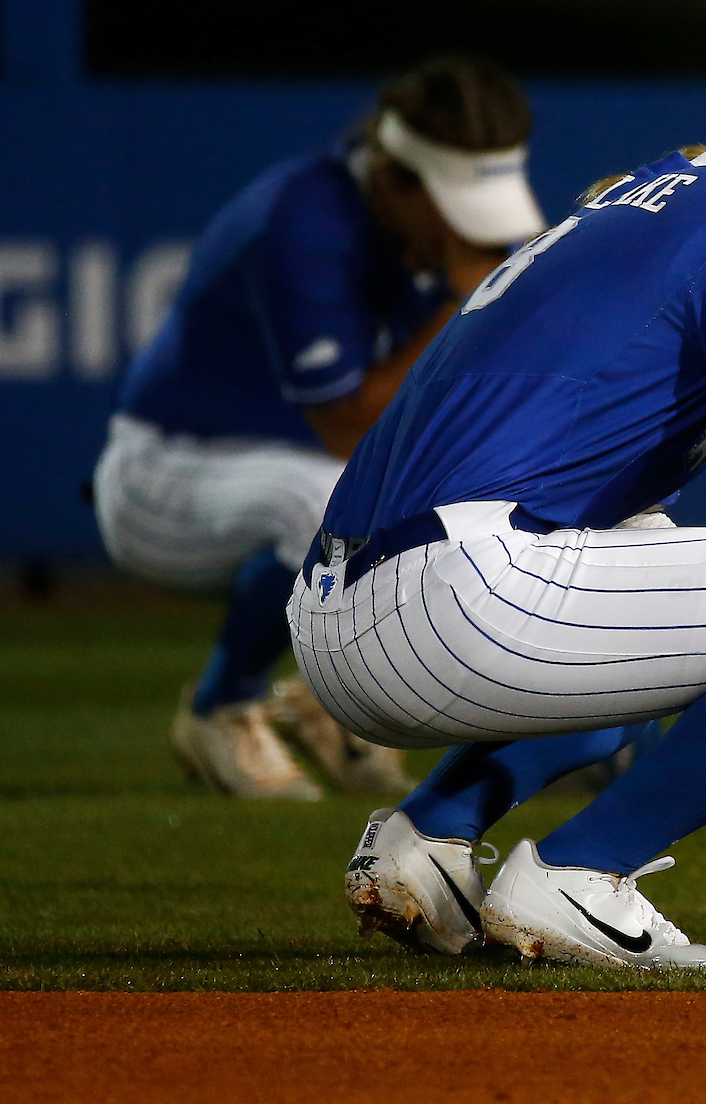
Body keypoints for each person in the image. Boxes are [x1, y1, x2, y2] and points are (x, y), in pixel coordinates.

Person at [292, 107, 706, 969]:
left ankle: (428, 841)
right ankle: (583, 874)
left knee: (663, 583)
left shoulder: (680, 193)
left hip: (338, 610)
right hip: (454, 602)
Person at [92, 56, 550, 801]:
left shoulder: (422, 229)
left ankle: (338, 701)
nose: (475, 236)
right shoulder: (304, 220)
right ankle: (220, 707)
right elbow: (344, 426)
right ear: (398, 181)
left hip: (275, 465)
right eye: (454, 206)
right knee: (328, 502)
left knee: (460, 506)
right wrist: (466, 307)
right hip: (165, 478)